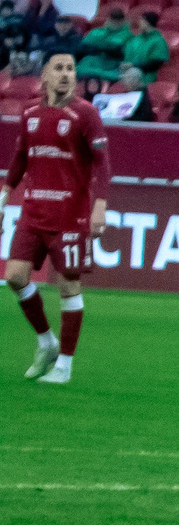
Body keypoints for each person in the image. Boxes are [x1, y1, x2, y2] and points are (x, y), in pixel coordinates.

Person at [7, 50, 108, 385]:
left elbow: (103, 163)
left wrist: (100, 204)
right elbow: (21, 155)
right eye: (59, 68)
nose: (66, 74)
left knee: (68, 285)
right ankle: (46, 341)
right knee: (15, 278)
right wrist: (6, 190)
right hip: (33, 210)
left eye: (71, 69)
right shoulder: (30, 111)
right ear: (45, 76)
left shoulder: (85, 113)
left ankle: (64, 365)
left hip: (70, 215)